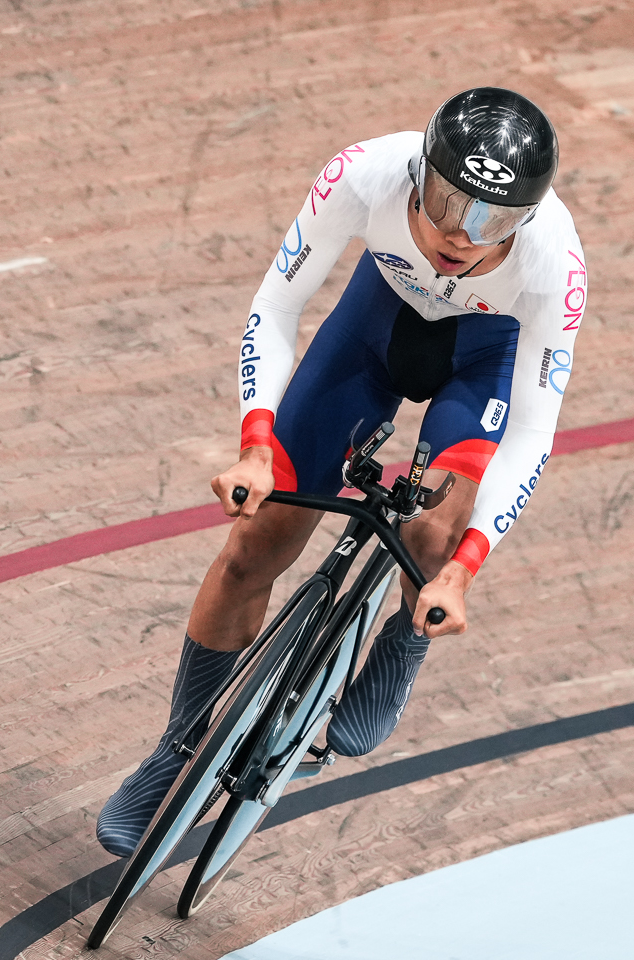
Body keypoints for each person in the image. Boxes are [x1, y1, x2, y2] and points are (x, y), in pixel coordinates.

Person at [97, 86, 588, 857]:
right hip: (375, 326)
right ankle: (176, 750)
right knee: (254, 546)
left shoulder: (554, 258)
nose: (462, 234)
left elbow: (531, 429)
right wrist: (257, 443)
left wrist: (463, 568)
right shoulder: (363, 174)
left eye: (492, 220)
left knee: (431, 531)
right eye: (448, 201)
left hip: (481, 361)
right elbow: (277, 305)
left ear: (525, 221)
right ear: (419, 173)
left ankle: (404, 638)